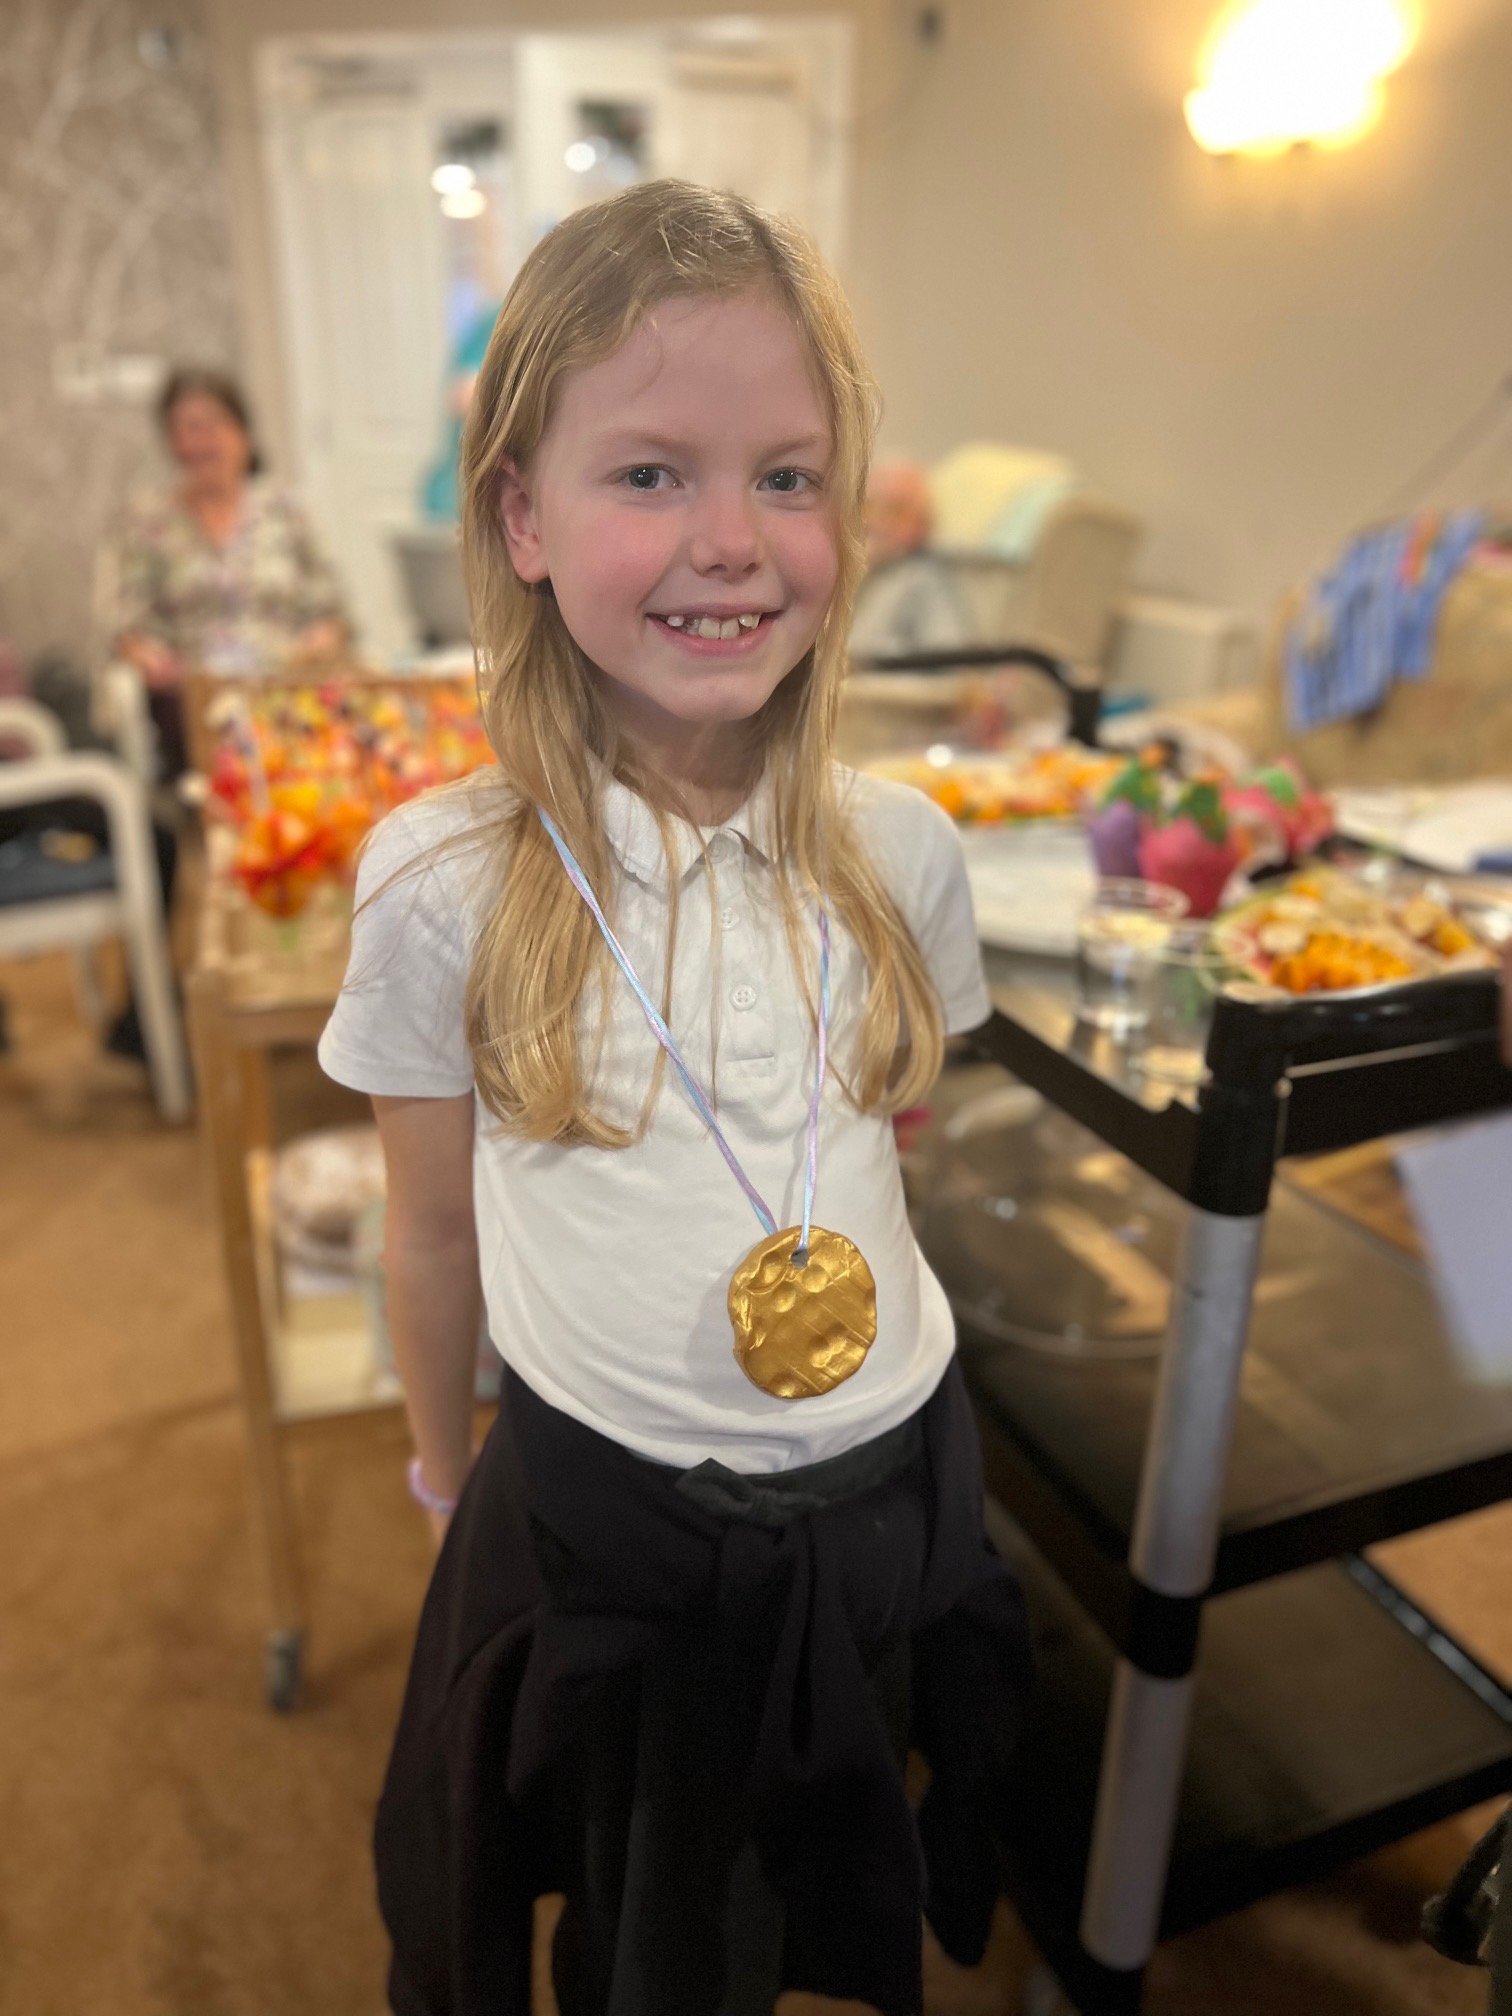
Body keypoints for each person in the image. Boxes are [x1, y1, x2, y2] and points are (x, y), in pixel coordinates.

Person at [318, 181, 1030, 2016]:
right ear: (521, 517)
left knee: (824, 1869)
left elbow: (885, 1143)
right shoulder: (436, 879)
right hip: (610, 1518)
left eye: (785, 476)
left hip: (887, 1493)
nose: (733, 540)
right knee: (653, 1922)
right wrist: (442, 1469)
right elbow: (427, 1221)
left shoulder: (904, 850)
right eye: (650, 475)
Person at [103, 367, 351, 778]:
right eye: (184, 429)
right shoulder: (149, 522)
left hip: (287, 691)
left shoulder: (284, 510)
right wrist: (149, 657)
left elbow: (332, 613)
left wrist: (315, 645)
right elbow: (128, 628)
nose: (198, 442)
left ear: (242, 433)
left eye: (210, 425)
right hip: (197, 705)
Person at [848, 456, 969, 661]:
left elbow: (951, 665)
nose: (874, 521)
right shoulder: (856, 573)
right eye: (869, 506)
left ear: (922, 524)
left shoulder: (925, 577)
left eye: (894, 511)